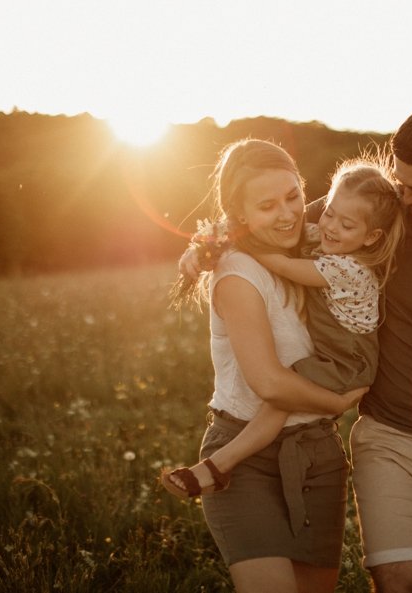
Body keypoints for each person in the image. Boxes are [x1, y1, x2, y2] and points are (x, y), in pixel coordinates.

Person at [180, 108, 412, 592]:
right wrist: (205, 247)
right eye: (400, 182)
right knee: (398, 576)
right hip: (386, 435)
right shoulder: (381, 205)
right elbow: (277, 215)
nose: (406, 197)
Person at [168, 138, 369, 592]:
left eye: (293, 196)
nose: (287, 214)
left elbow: (376, 211)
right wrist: (339, 399)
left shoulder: (317, 242)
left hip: (318, 453)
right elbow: (270, 383)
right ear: (240, 216)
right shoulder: (239, 274)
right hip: (245, 457)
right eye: (267, 206)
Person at [160, 154, 407, 500]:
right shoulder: (327, 237)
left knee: (280, 397)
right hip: (336, 355)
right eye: (330, 213)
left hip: (348, 360)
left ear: (371, 237)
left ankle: (219, 466)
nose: (331, 227)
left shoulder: (348, 269)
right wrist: (207, 243)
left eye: (347, 225)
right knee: (280, 395)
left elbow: (278, 261)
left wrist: (241, 244)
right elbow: (270, 226)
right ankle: (218, 466)